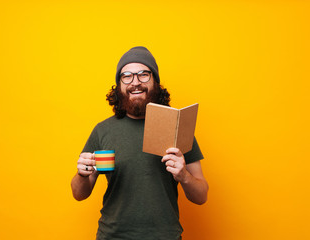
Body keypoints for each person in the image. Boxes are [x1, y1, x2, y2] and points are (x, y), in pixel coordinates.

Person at [71, 46, 208, 240]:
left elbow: (201, 196)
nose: (135, 82)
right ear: (119, 85)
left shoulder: (177, 126)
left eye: (144, 74)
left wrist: (184, 176)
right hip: (112, 236)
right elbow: (79, 194)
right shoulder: (103, 131)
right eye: (127, 76)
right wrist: (82, 175)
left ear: (155, 82)